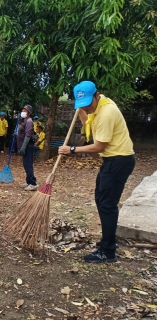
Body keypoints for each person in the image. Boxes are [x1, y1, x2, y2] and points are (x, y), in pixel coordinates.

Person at [59, 80, 135, 263]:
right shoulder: (96, 108)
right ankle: (106, 243)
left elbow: (99, 146)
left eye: (87, 105)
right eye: (81, 106)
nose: (86, 109)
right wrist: (82, 112)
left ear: (97, 94)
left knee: (107, 204)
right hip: (112, 160)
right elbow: (89, 130)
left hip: (119, 160)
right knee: (101, 199)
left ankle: (107, 251)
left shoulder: (107, 112)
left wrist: (72, 150)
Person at [17, 104, 37, 191]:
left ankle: (33, 183)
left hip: (28, 146)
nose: (23, 112)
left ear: (29, 113)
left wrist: (23, 147)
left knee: (28, 164)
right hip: (23, 145)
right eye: (23, 110)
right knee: (25, 164)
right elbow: (22, 132)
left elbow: (28, 135)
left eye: (25, 111)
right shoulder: (24, 121)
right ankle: (28, 181)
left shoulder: (29, 121)